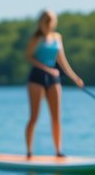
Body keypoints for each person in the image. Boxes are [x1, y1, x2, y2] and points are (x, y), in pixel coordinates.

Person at [24, 9, 83, 158]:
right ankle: (29, 152)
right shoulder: (36, 38)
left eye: (51, 20)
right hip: (37, 77)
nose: (49, 23)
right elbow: (29, 57)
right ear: (42, 21)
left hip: (54, 78)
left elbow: (62, 61)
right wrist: (46, 69)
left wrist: (74, 77)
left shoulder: (57, 38)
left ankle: (58, 151)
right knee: (34, 117)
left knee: (56, 117)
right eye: (46, 20)